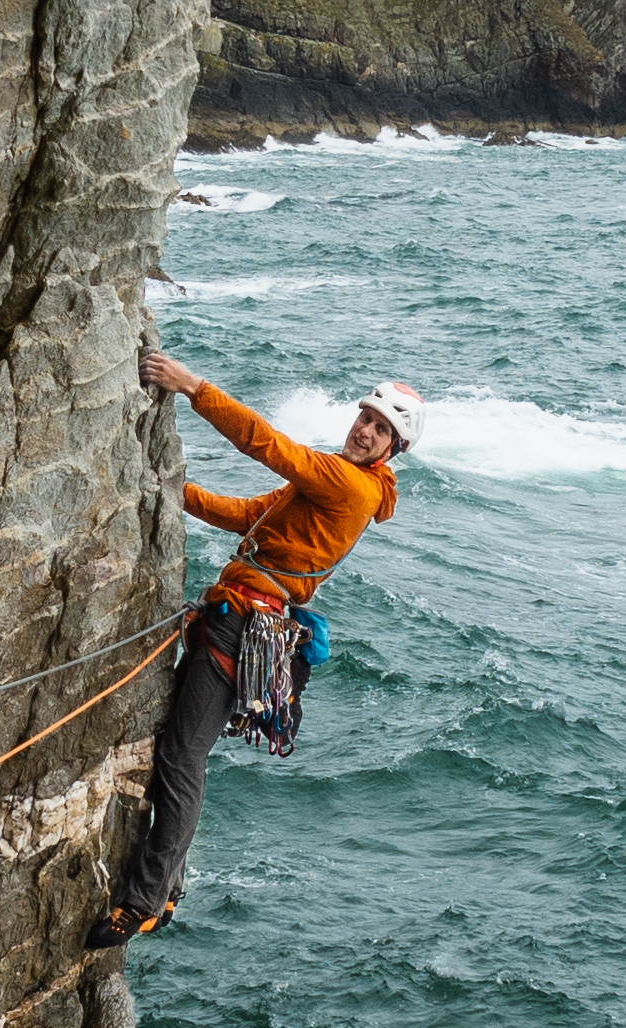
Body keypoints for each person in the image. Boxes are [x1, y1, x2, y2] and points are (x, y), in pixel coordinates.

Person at [90, 342, 425, 950]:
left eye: (380, 430)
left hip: (240, 625)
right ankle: (166, 888)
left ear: (392, 450)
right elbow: (253, 514)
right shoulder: (339, 482)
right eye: (365, 418)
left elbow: (266, 444)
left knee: (181, 756)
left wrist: (192, 387)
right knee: (182, 754)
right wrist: (175, 492)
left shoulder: (350, 487)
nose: (366, 430)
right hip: (240, 617)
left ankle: (145, 898)